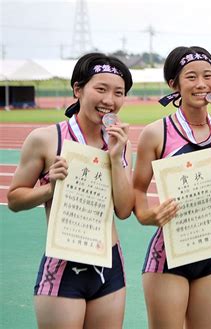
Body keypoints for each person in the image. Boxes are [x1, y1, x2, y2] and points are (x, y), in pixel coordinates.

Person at [7, 52, 134, 329]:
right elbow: (14, 198)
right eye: (100, 89)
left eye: (118, 93)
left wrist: (116, 158)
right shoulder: (45, 139)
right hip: (63, 261)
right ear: (78, 89)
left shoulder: (120, 142)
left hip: (109, 264)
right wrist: (49, 189)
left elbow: (124, 210)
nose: (109, 100)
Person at [133, 46, 211, 329]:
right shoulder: (157, 132)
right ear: (174, 84)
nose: (201, 84)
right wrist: (147, 215)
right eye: (191, 77)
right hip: (170, 253)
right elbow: (137, 190)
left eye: (208, 76)